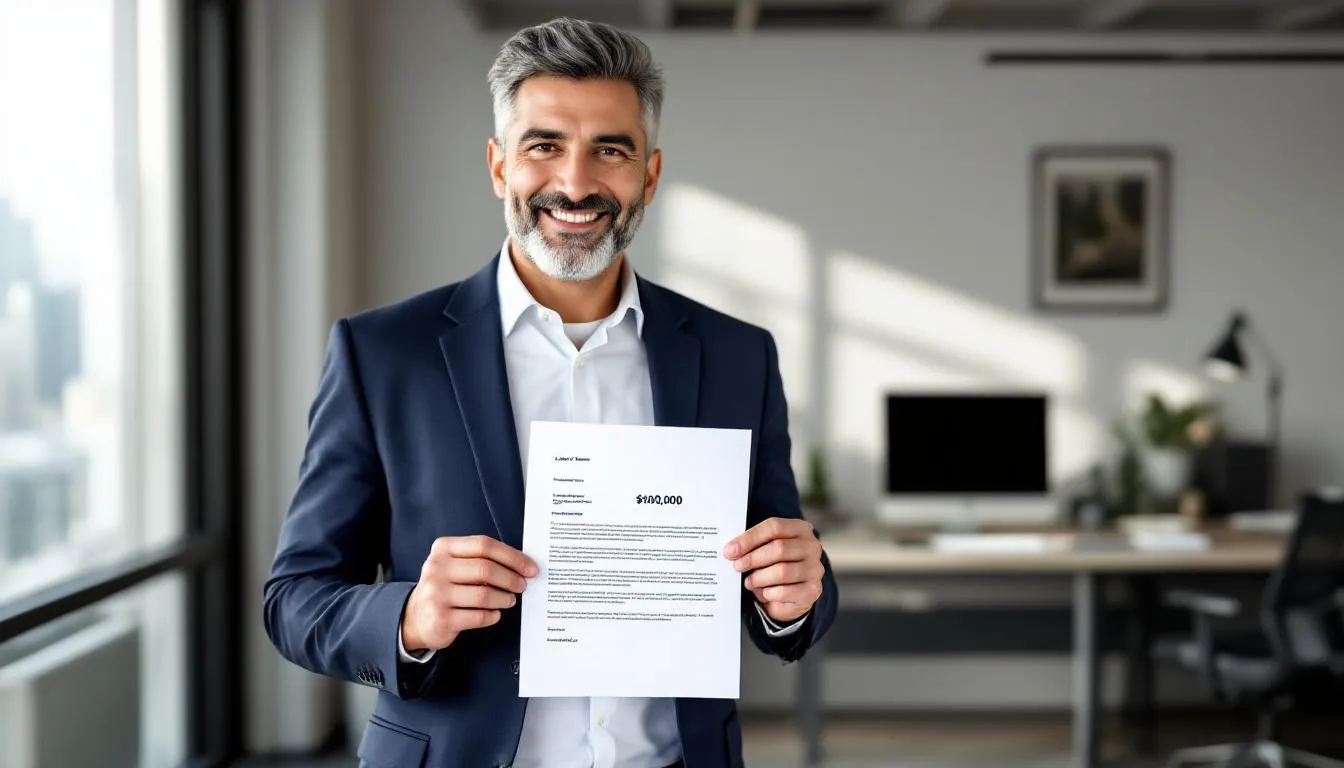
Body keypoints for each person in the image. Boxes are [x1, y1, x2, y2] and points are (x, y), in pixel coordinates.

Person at [262, 16, 837, 768]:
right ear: (500, 167)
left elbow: (788, 578)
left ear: (650, 176)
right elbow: (296, 599)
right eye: (545, 146)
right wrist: (406, 616)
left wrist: (795, 597)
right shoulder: (383, 355)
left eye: (610, 149)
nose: (574, 182)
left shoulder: (737, 356)